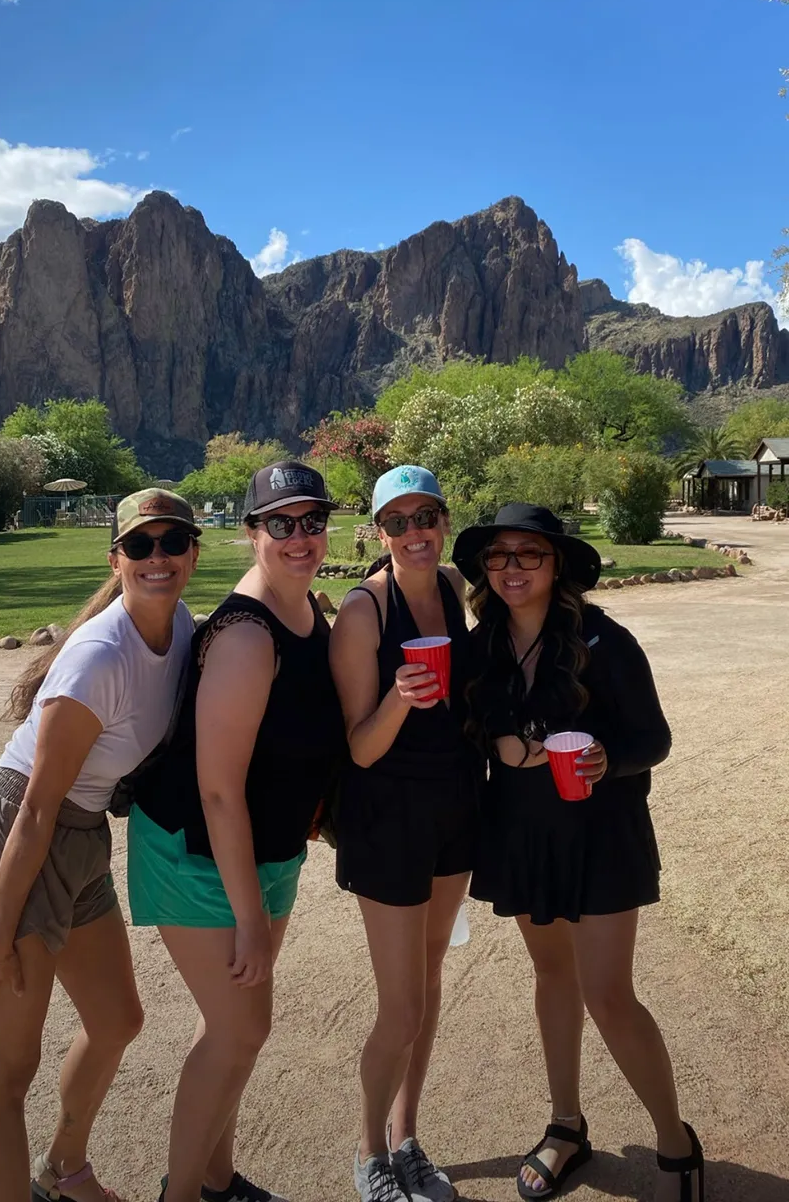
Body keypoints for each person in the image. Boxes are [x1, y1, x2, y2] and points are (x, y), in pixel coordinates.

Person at [0, 489, 202, 1202]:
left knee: (118, 1020)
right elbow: (35, 808)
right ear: (117, 559)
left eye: (173, 542)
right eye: (140, 546)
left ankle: (64, 1169)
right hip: (20, 836)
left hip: (80, 837)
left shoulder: (183, 629)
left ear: (194, 554)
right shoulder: (97, 656)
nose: (158, 558)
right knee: (5, 1073)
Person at [453, 503, 704, 1202]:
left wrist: (605, 760)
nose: (511, 568)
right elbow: (462, 725)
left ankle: (676, 1142)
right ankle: (566, 1126)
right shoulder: (483, 647)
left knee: (609, 994)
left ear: (556, 563)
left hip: (603, 838)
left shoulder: (604, 641)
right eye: (499, 556)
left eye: (528, 554)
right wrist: (493, 741)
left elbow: (653, 739)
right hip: (525, 837)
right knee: (553, 980)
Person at [128, 461, 347, 1202]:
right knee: (240, 1030)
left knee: (234, 1029)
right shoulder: (249, 636)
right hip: (199, 853)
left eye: (311, 521)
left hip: (267, 851)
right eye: (279, 523)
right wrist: (249, 918)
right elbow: (218, 791)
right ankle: (182, 1194)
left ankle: (216, 1182)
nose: (299, 537)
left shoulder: (308, 611)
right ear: (252, 533)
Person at [330, 465, 477, 1202]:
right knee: (402, 1005)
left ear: (443, 522)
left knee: (429, 977)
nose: (414, 533)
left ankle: (407, 1135)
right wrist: (398, 697)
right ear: (378, 532)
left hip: (453, 811)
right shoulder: (364, 613)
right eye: (398, 522)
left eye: (426, 517)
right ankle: (369, 1155)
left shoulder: (452, 587)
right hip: (387, 821)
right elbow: (358, 748)